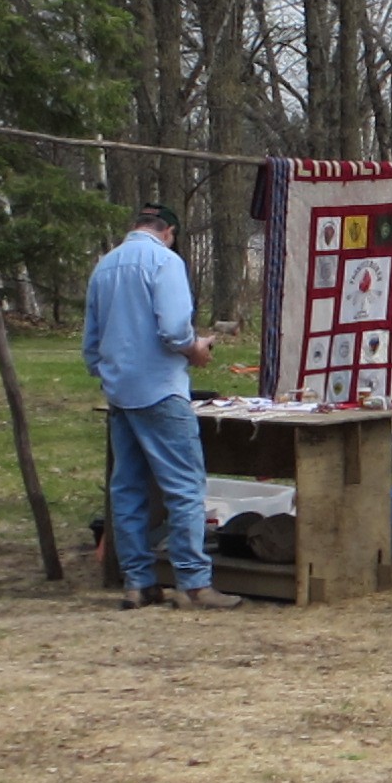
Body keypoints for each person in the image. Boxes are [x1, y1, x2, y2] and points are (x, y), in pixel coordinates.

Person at [83, 204, 240, 610]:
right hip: (161, 390)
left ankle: (138, 582)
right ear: (168, 231)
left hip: (120, 393)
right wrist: (196, 348)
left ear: (136, 226)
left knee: (128, 489)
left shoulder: (104, 266)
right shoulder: (165, 262)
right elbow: (173, 329)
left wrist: (113, 373)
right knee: (184, 487)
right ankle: (194, 583)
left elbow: (91, 345)